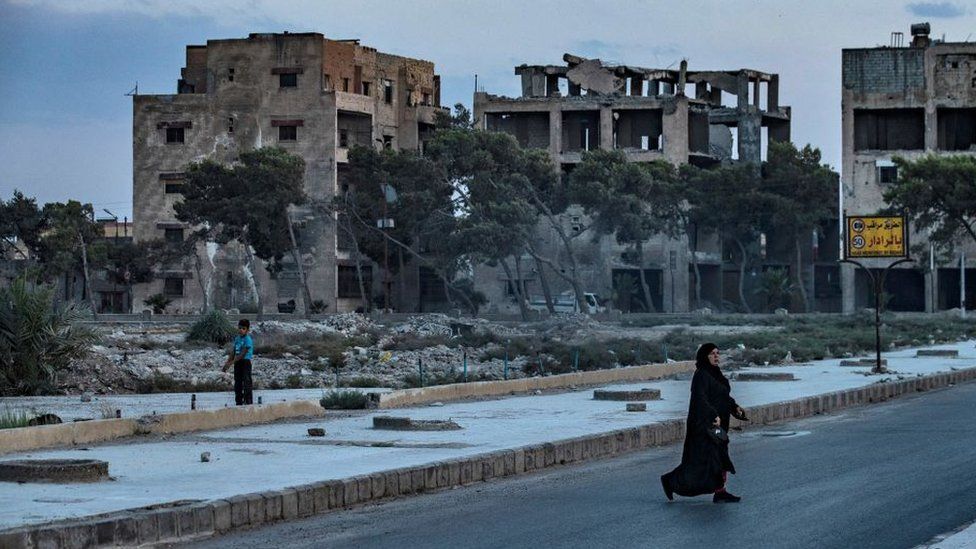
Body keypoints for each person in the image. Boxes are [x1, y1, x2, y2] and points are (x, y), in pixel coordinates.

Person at [661, 343, 748, 503]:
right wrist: (713, 414)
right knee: (700, 461)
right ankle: (671, 481)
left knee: (720, 456)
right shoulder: (701, 375)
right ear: (704, 356)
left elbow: (723, 396)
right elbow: (700, 399)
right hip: (704, 426)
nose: (716, 356)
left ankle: (720, 491)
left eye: (717, 353)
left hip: (718, 426)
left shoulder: (716, 374)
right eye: (712, 354)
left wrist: (735, 408)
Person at [222, 319, 254, 405]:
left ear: (247, 330)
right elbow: (233, 352)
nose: (241, 330)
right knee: (238, 382)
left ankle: (248, 402)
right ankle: (239, 402)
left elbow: (242, 354)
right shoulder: (237, 339)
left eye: (243, 328)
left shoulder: (248, 340)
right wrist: (227, 363)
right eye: (239, 328)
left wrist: (230, 363)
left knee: (247, 382)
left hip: (245, 362)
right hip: (237, 363)